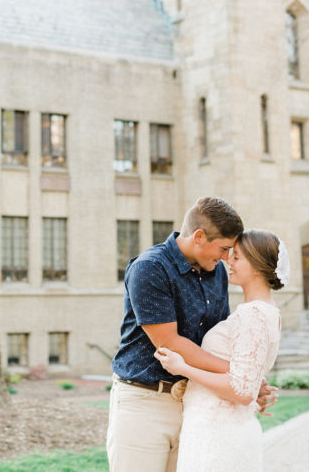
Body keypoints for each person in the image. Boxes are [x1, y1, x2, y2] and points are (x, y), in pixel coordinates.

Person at [106, 197, 277, 471]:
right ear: (199, 236)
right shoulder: (150, 268)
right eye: (223, 248)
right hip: (145, 402)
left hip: (197, 406)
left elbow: (217, 343)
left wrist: (245, 379)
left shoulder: (216, 272)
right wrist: (243, 377)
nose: (225, 257)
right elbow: (169, 343)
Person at [155, 229, 287, 471]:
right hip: (219, 429)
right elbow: (246, 378)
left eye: (237, 257)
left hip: (218, 434)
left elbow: (242, 389)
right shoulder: (265, 311)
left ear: (257, 267)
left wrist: (183, 368)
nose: (228, 261)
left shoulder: (254, 315)